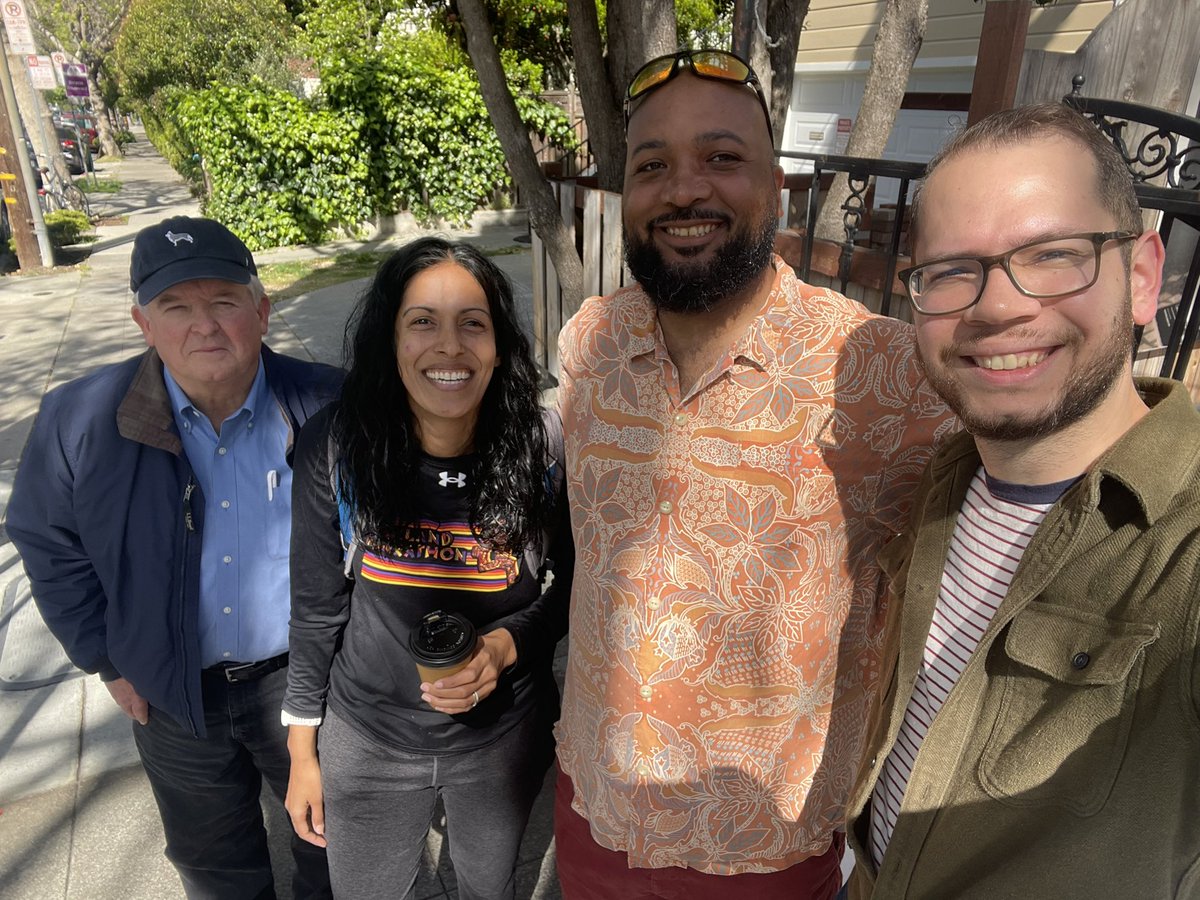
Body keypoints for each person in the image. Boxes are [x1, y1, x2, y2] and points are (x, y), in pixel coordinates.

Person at [553, 49, 954, 900]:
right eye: (652, 165)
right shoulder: (590, 342)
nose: (684, 189)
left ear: (777, 185)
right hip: (592, 812)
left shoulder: (884, 374)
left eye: (721, 158)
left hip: (763, 858)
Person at [844, 103, 1200, 899]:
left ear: (1142, 276)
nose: (997, 306)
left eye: (1050, 255)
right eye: (951, 270)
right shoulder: (940, 482)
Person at [6, 215, 338, 899]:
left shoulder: (328, 402)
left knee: (333, 848)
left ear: (262, 309)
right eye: (176, 307)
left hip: (306, 686)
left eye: (223, 302)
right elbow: (46, 540)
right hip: (171, 693)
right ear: (142, 323)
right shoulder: (78, 420)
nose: (204, 325)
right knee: (215, 867)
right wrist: (106, 658)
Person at [282, 236, 573, 900]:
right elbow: (316, 608)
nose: (450, 347)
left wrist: (504, 648)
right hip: (369, 739)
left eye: (473, 324)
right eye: (423, 323)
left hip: (501, 742)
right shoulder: (338, 444)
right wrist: (303, 754)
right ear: (390, 341)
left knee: (487, 889)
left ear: (499, 346)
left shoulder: (542, 448)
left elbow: (568, 588)